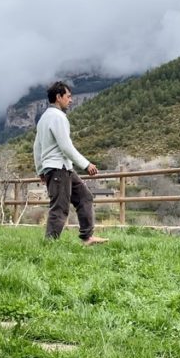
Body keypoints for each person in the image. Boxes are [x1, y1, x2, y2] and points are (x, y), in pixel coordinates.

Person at [33, 81, 108, 246]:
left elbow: (37, 147)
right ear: (58, 97)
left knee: (85, 197)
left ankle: (87, 237)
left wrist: (40, 169)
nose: (71, 100)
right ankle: (49, 245)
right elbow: (66, 146)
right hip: (58, 169)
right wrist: (86, 164)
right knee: (59, 208)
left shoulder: (44, 118)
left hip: (63, 169)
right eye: (68, 96)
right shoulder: (58, 117)